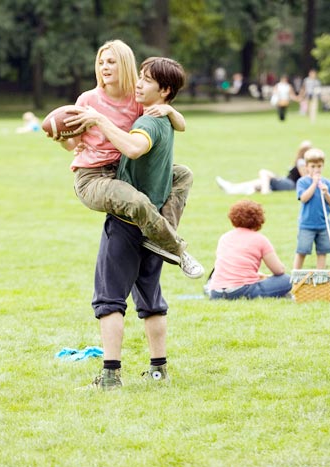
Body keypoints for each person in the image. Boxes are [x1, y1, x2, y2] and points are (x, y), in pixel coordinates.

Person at [50, 39, 203, 279]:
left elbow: (181, 127)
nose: (104, 67)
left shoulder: (137, 99)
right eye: (101, 62)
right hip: (93, 177)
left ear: (124, 65)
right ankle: (178, 250)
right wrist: (59, 137)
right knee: (138, 202)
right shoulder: (87, 101)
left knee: (182, 174)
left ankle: (162, 237)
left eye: (111, 62)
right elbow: (73, 145)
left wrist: (170, 110)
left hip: (124, 170)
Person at [82, 56, 188, 390]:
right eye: (139, 77)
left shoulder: (149, 123)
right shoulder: (162, 117)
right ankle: (159, 369)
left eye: (146, 80)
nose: (138, 84)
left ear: (164, 90)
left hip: (128, 220)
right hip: (153, 226)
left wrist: (99, 119)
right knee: (151, 299)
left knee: (109, 299)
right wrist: (171, 110)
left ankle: (110, 375)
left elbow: (133, 146)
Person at [206, 200, 291, 300]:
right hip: (242, 290)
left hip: (216, 292)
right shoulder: (260, 239)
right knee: (287, 280)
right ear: (259, 219)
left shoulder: (224, 237)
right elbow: (278, 270)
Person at [293, 148, 330, 270]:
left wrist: (326, 193)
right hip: (307, 225)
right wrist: (314, 184)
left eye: (319, 166)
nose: (316, 169)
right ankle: (295, 276)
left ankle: (320, 276)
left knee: (322, 252)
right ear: (306, 167)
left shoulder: (328, 183)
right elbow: (303, 198)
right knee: (302, 251)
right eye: (312, 166)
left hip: (323, 224)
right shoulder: (302, 182)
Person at [215, 140, 311, 195]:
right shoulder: (302, 161)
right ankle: (232, 187)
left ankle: (265, 191)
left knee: (264, 173)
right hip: (288, 182)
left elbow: (305, 177)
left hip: (291, 184)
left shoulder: (301, 162)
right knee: (258, 182)